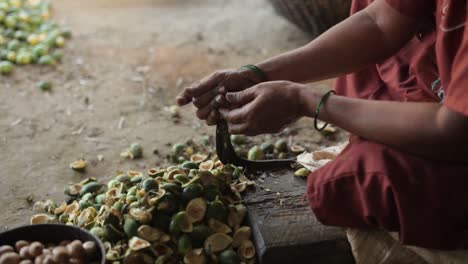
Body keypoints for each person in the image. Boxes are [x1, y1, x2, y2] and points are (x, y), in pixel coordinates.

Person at [176, 0, 468, 250]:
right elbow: (380, 21)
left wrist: (306, 101)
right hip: (449, 92)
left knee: (363, 178)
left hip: (456, 131)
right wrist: (257, 74)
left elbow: (454, 130)